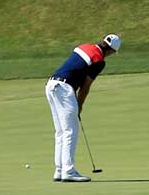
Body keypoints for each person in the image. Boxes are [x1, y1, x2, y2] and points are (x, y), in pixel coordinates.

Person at [44, 33, 121, 183]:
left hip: (51, 85)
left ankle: (59, 170)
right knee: (70, 131)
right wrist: (79, 105)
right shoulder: (99, 60)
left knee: (60, 131)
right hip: (64, 89)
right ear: (112, 51)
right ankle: (68, 170)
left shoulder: (84, 46)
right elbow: (86, 86)